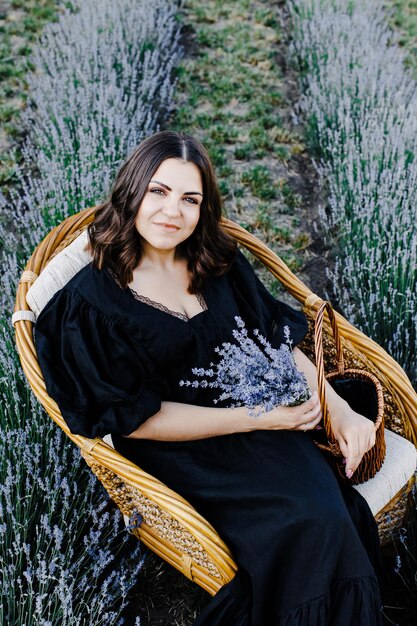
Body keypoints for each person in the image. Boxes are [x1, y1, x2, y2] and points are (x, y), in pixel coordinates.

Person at [34, 130, 383, 625]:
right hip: (184, 444)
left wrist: (341, 411)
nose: (171, 212)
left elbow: (274, 341)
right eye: (157, 191)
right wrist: (257, 421)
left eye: (189, 199)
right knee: (317, 520)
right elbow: (135, 422)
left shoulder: (215, 261)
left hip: (259, 407)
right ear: (131, 190)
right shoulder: (91, 303)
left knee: (331, 518)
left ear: (203, 208)